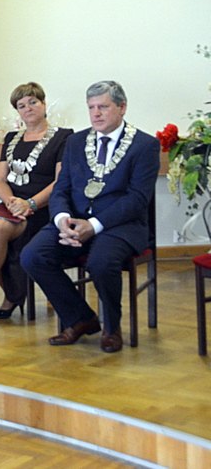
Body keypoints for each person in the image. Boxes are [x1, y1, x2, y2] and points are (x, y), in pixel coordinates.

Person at [20, 81, 160, 353]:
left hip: (120, 226)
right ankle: (80, 319)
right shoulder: (75, 142)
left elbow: (137, 199)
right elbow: (61, 189)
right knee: (32, 256)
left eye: (103, 107)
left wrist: (93, 226)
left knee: (101, 262)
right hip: (74, 221)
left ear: (122, 107)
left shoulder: (145, 145)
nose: (96, 113)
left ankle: (112, 327)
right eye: (91, 107)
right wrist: (62, 220)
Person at [0, 83, 72, 326]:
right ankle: (13, 293)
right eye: (21, 105)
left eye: (33, 102)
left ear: (44, 104)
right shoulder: (11, 138)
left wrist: (29, 204)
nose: (28, 108)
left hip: (42, 210)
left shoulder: (64, 137)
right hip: (10, 207)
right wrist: (10, 201)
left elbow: (60, 182)